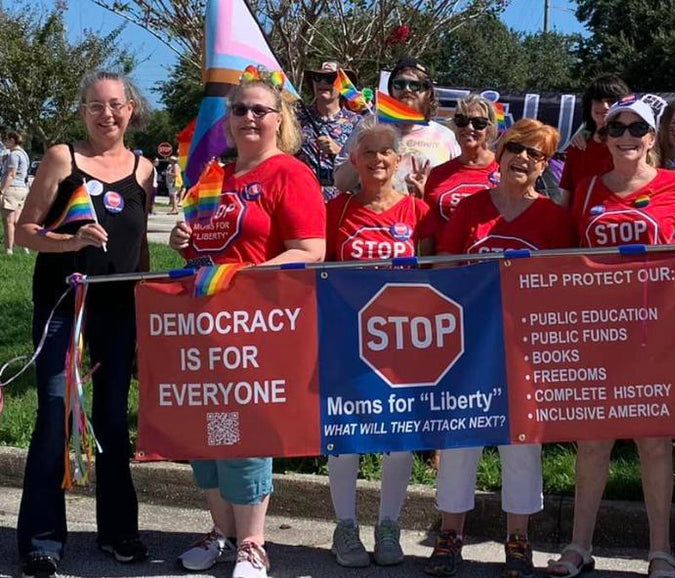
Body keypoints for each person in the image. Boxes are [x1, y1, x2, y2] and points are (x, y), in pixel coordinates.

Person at [169, 66, 326, 578]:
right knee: (205, 432)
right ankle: (221, 532)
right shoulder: (216, 174)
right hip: (202, 323)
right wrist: (183, 239)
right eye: (240, 109)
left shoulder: (291, 173)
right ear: (229, 119)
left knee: (245, 434)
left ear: (280, 120)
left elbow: (311, 251)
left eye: (262, 110)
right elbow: (203, 238)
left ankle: (253, 543)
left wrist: (245, 275)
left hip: (259, 324)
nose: (250, 117)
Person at [548, 96, 675, 578]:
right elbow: (569, 256)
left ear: (652, 136)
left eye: (637, 127)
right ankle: (579, 546)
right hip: (599, 333)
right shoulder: (589, 187)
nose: (625, 135)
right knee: (592, 442)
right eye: (615, 126)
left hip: (656, 334)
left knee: (653, 443)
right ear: (605, 135)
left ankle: (661, 551)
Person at [14, 70, 153, 578]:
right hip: (61, 307)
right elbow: (27, 231)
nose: (106, 115)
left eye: (115, 105)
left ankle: (118, 531)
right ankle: (41, 540)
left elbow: (137, 247)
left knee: (113, 421)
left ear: (131, 110)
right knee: (55, 413)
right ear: (82, 113)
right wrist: (70, 243)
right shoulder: (61, 158)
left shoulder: (144, 170)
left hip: (117, 312)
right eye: (95, 106)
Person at [428, 119, 576, 578]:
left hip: (524, 349)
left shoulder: (554, 218)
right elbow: (445, 271)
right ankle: (450, 536)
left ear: (544, 166)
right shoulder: (471, 209)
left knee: (522, 445)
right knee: (460, 441)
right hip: (467, 348)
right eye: (516, 148)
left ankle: (518, 541)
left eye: (536, 154)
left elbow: (565, 284)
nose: (523, 159)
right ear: (501, 151)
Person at [324, 120, 438, 568]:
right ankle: (345, 527)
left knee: (399, 436)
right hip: (347, 339)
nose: (376, 161)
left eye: (384, 153)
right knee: (345, 433)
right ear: (354, 160)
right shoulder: (337, 211)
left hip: (403, 342)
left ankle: (389, 525)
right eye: (367, 153)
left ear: (398, 160)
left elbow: (433, 278)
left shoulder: (418, 211)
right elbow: (324, 272)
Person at [334, 56, 459, 197]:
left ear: (428, 92)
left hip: (426, 216)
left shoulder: (445, 136)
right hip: (376, 216)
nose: (407, 90)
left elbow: (458, 186)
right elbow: (341, 183)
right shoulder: (370, 127)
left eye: (415, 85)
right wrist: (364, 150)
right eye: (399, 84)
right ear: (391, 90)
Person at [424, 95, 499, 234]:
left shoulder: (504, 169)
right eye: (462, 121)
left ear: (489, 129)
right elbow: (429, 227)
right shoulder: (438, 173)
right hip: (444, 254)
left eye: (478, 123)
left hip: (488, 254)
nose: (469, 127)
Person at [559, 74, 630, 207]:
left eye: (611, 101)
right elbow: (566, 199)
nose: (604, 106)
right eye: (597, 100)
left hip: (616, 221)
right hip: (579, 224)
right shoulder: (577, 146)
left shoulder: (630, 147)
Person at [298, 61, 362, 202]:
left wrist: (339, 152)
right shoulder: (297, 119)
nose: (322, 82)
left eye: (330, 78)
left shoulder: (358, 123)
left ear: (343, 86)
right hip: (303, 197)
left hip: (342, 202)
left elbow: (364, 166)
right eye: (317, 78)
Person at [1, 131, 31, 255]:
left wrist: (2, 190)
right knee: (17, 221)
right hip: (22, 189)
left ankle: (9, 249)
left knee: (8, 221)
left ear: (12, 140)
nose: (4, 142)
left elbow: (11, 174)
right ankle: (25, 247)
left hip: (12, 189)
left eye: (6, 139)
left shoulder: (14, 155)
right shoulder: (24, 154)